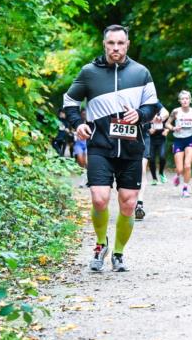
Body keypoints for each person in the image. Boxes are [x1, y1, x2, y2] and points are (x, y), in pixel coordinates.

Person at [63, 24, 158, 272]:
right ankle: (100, 245)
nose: (115, 48)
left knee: (128, 203)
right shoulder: (89, 72)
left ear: (127, 45)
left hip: (131, 149)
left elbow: (153, 106)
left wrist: (140, 114)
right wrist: (77, 124)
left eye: (120, 43)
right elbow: (70, 101)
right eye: (111, 44)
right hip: (100, 146)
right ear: (104, 45)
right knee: (99, 198)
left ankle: (118, 253)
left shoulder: (141, 72)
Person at [135, 101, 168, 220]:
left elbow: (165, 112)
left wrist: (159, 118)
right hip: (125, 137)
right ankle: (127, 201)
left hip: (143, 137)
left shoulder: (149, 98)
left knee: (142, 170)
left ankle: (139, 204)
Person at [165, 90, 192, 197]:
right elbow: (167, 124)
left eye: (187, 98)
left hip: (190, 140)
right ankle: (178, 175)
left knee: (187, 166)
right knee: (180, 169)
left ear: (190, 100)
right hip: (178, 141)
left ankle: (185, 188)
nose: (185, 100)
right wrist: (174, 128)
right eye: (182, 99)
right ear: (179, 101)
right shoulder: (175, 111)